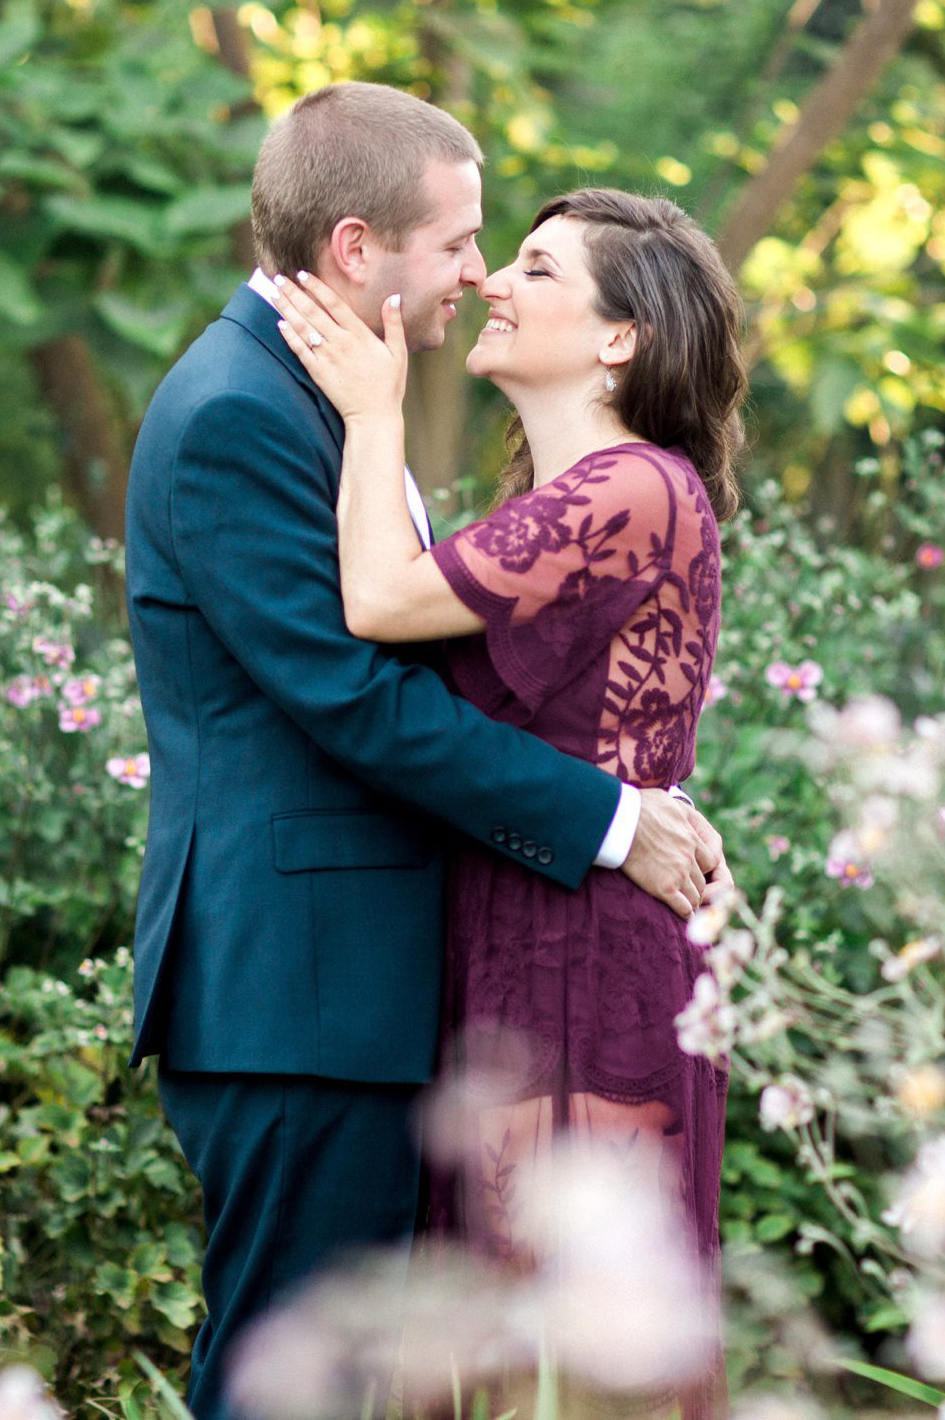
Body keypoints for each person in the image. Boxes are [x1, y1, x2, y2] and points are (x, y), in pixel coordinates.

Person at [122, 83, 732, 1420]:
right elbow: (353, 698)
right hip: (298, 989)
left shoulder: (331, 397)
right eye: (459, 242)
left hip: (384, 989)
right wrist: (612, 819)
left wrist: (635, 800)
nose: (477, 271)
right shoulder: (240, 411)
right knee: (293, 1380)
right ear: (357, 248)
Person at [267, 185, 744, 1417]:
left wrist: (372, 411)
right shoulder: (568, 500)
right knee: (501, 1329)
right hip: (524, 921)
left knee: (570, 1343)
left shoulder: (630, 488)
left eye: (535, 269)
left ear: (619, 337)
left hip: (585, 951)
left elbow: (377, 603)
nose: (490, 281)